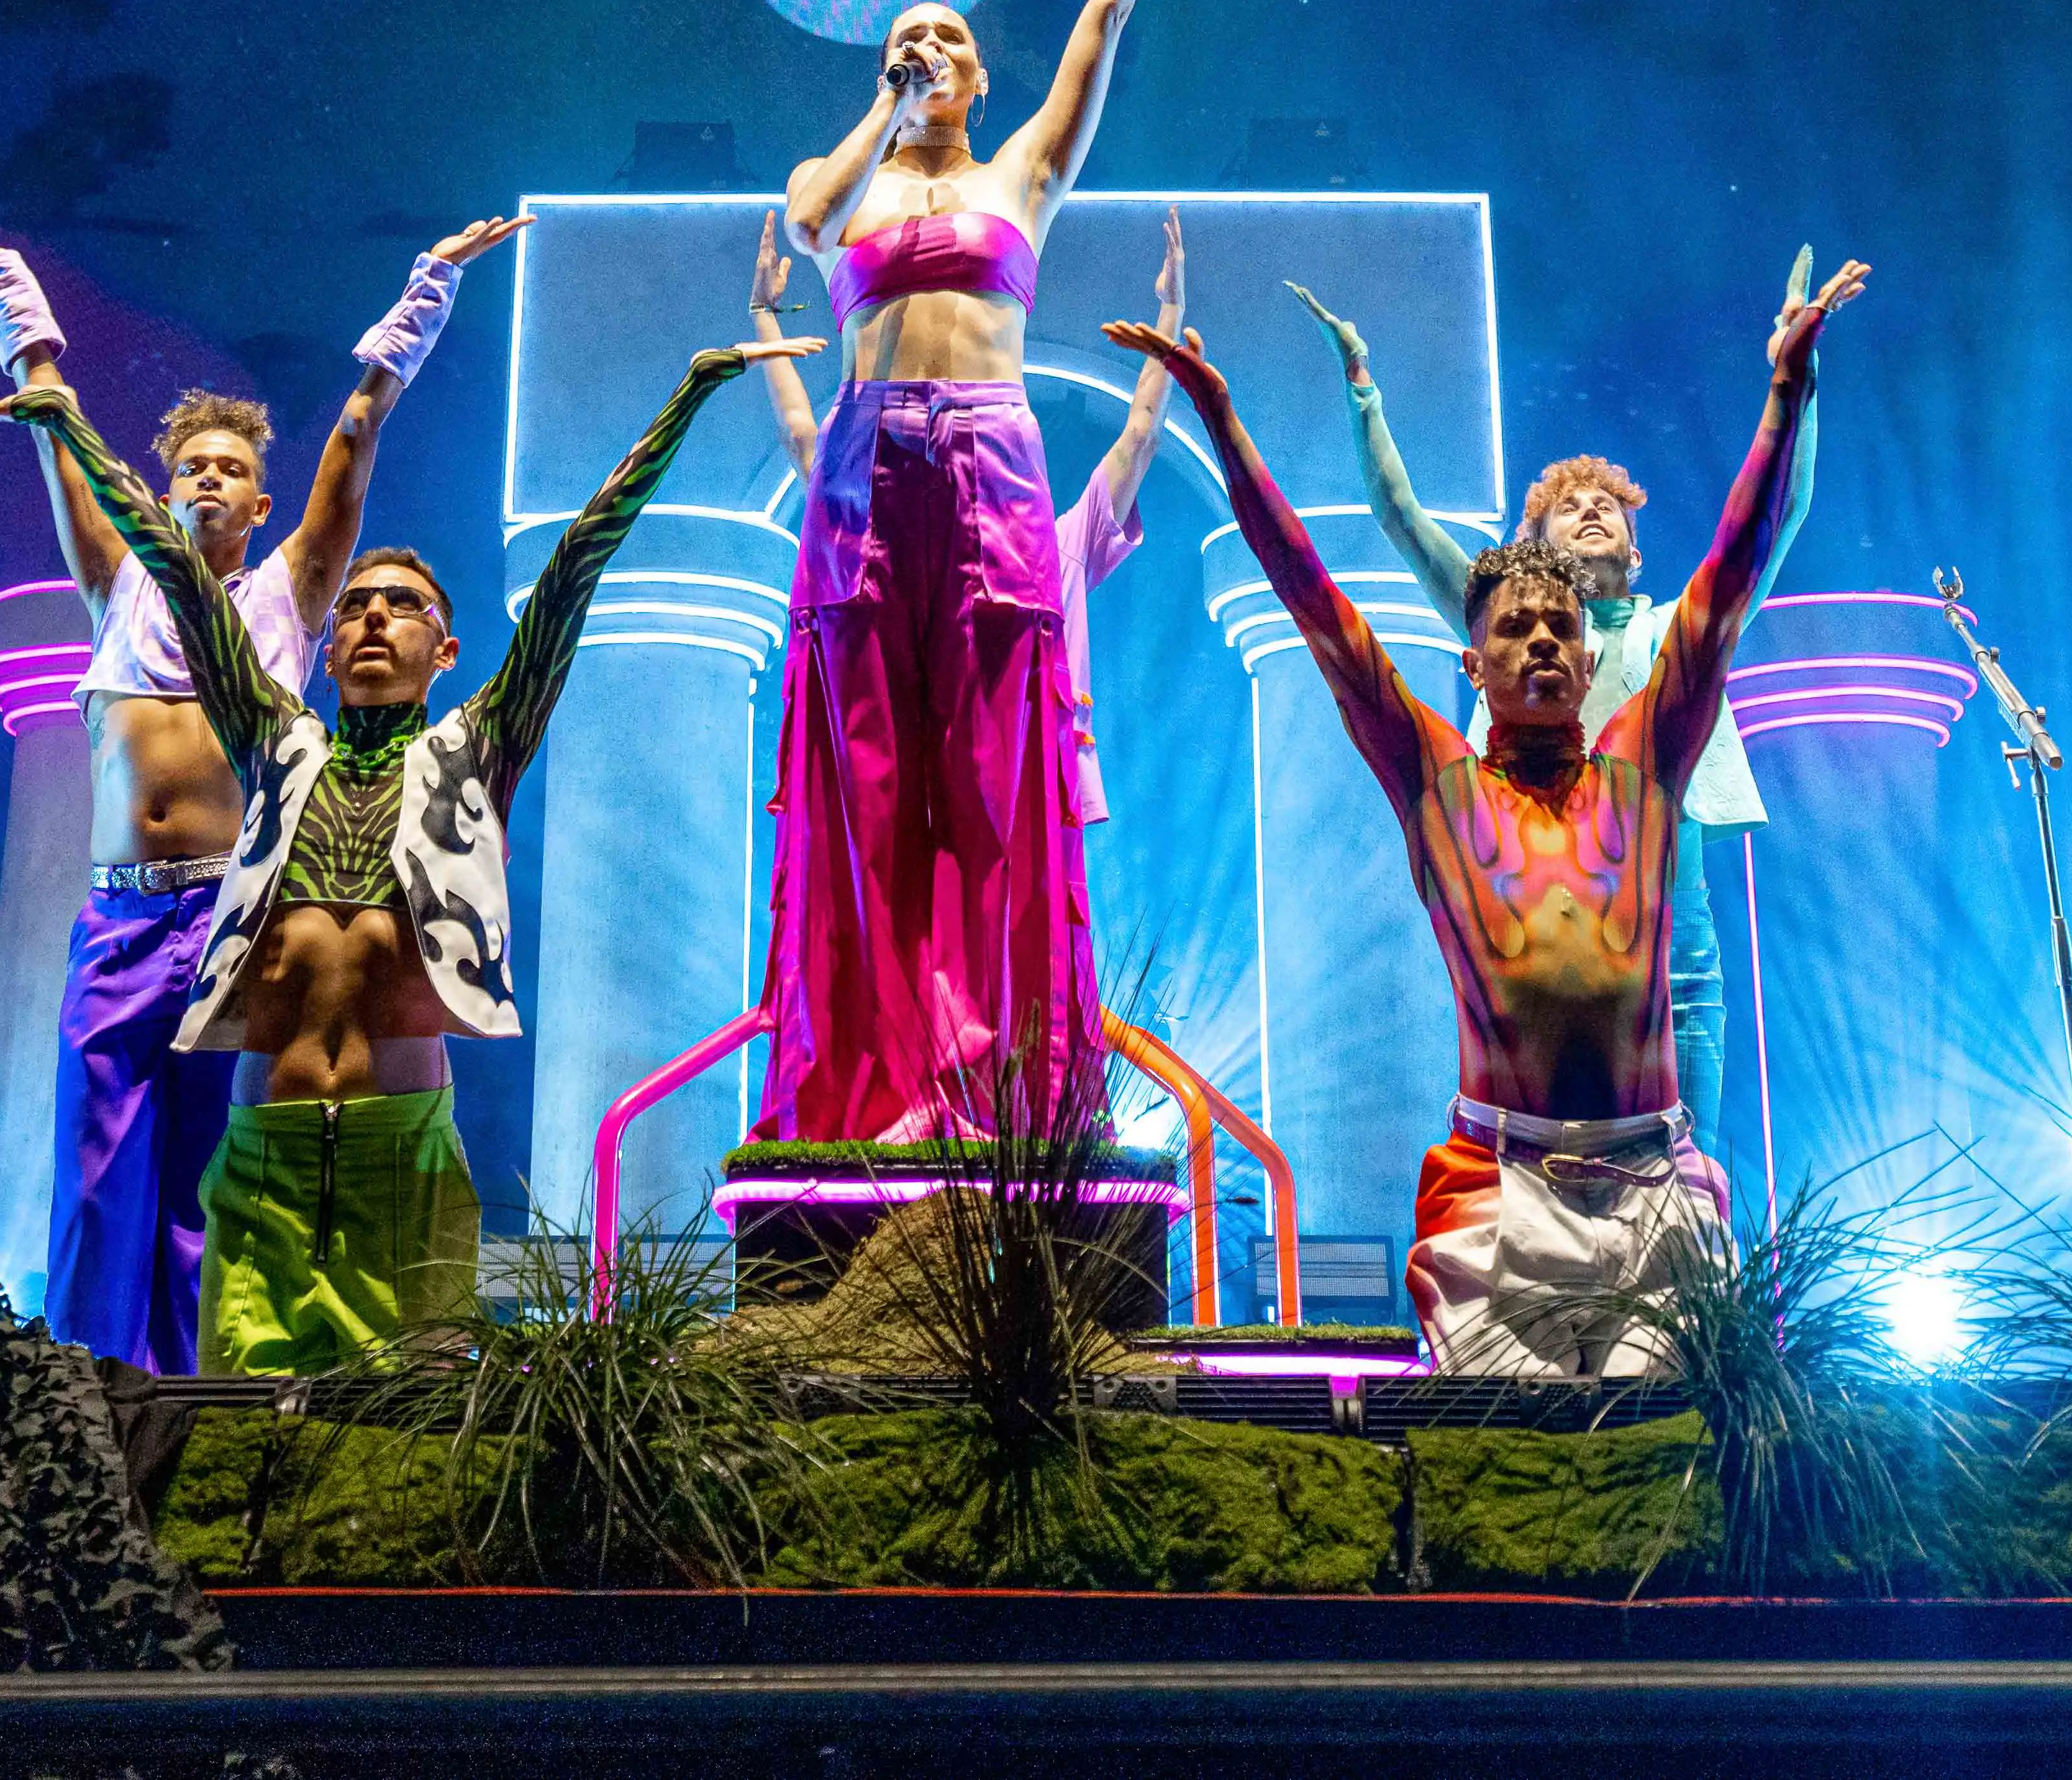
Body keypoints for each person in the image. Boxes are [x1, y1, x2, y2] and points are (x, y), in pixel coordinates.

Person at [0, 329, 821, 1370]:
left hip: (397, 1159)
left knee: (396, 1448)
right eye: (354, 601)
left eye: (401, 604)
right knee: (231, 1440)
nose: (369, 617)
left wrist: (685, 396)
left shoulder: (474, 749)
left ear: (444, 649)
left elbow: (579, 558)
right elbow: (174, 570)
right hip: (265, 1162)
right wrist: (66, 418)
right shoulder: (278, 742)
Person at [1103, 253, 1867, 1379]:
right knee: (1507, 1470)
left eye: (1561, 622)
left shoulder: (1647, 766)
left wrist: (1786, 394)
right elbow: (1311, 593)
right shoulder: (1439, 782)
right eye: (1519, 627)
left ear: (1595, 637)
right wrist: (1220, 418)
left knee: (1653, 1459)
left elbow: (1731, 570)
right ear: (1475, 659)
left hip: (1653, 1186)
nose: (1548, 639)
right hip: (1496, 1190)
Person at [0, 211, 522, 1370]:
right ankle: (85, 1392)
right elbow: (58, 433)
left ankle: (194, 1405)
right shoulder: (120, 583)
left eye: (231, 470)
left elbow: (353, 436)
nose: (206, 479)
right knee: (95, 1171)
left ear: (255, 505)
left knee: (204, 1181)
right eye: (189, 465)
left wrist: (427, 289)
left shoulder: (289, 600)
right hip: (119, 915)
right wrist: (10, 289)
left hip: (231, 917)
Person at [758, 0, 1199, 1144]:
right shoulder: (854, 174)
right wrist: (880, 116)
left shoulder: (1024, 176)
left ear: (986, 72)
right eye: (909, 36)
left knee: (998, 761)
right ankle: (866, 1081)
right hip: (865, 466)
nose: (933, 46)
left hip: (993, 466)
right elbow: (809, 216)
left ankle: (1000, 1082)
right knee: (872, 765)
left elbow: (1103, 24)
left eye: (951, 35)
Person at [1281, 253, 1823, 1158]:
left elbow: (1777, 519)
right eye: (1567, 505)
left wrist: (1797, 379)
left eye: (1608, 503)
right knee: (1543, 1163)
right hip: (1536, 930)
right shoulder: (1508, 622)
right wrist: (1364, 390)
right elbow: (1402, 515)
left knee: (1694, 1178)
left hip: (1674, 964)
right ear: (1531, 545)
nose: (1591, 510)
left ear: (1637, 551)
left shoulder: (1671, 636)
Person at [752, 201, 1186, 824]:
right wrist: (764, 317)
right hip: (921, 767)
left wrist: (1171, 315)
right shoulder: (890, 549)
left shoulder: (1056, 547)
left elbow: (1140, 435)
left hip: (1016, 769)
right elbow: (804, 442)